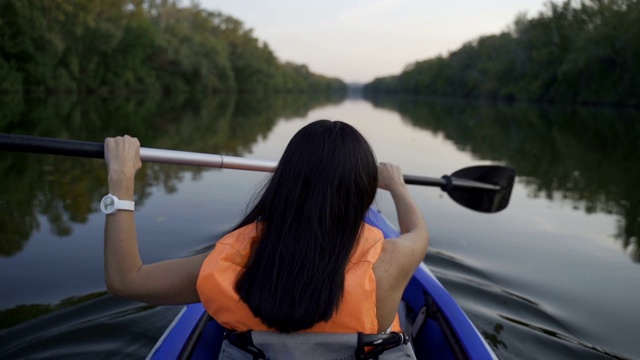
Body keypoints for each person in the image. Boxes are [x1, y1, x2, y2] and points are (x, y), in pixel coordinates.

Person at [103, 120, 429, 356]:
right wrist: (397, 186)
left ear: (284, 182)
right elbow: (419, 233)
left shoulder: (231, 262)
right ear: (363, 193)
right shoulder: (390, 260)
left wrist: (120, 181)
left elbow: (126, 280)